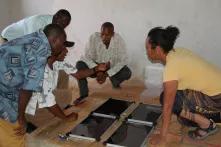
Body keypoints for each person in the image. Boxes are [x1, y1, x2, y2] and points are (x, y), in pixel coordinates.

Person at [0, 24, 76, 147]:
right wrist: (21, 117)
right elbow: (27, 89)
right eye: (62, 43)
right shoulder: (40, 54)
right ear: (54, 40)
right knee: (15, 137)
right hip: (4, 96)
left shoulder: (35, 36)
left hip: (5, 83)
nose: (63, 47)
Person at [146, 26, 221, 145]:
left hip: (217, 99)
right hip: (216, 91)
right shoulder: (177, 52)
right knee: (182, 116)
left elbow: (168, 105)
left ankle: (207, 125)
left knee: (169, 99)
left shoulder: (172, 67)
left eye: (148, 48)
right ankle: (207, 118)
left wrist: (162, 136)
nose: (147, 51)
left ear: (158, 49)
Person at [73, 22, 132, 105]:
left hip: (109, 67)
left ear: (112, 34)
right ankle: (83, 95)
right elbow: (86, 57)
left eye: (107, 35)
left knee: (127, 72)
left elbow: (123, 61)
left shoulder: (118, 40)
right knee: (79, 64)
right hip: (95, 67)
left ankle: (115, 82)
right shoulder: (93, 38)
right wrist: (98, 70)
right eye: (102, 34)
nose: (103, 37)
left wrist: (107, 74)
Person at [1, 9, 74, 47]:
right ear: (56, 17)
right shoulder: (38, 22)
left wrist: (63, 42)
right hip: (7, 39)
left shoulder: (55, 25)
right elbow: (30, 42)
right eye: (63, 23)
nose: (63, 27)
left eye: (66, 25)